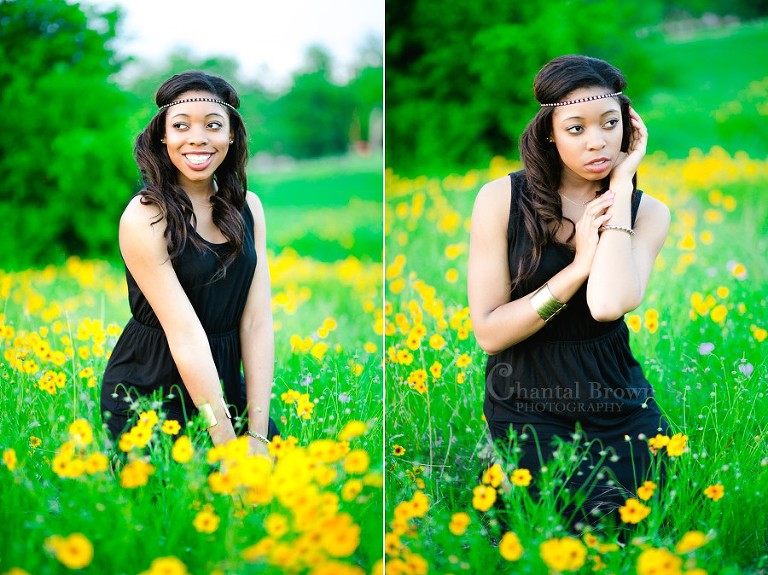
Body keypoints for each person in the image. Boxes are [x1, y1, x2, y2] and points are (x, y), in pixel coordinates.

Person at [468, 55, 670, 523]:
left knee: (641, 518)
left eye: (610, 124)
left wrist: (619, 188)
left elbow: (607, 305)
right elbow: (490, 333)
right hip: (527, 398)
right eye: (576, 128)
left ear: (630, 130)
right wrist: (578, 266)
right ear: (549, 134)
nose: (597, 141)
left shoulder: (649, 213)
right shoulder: (501, 200)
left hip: (617, 398)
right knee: (578, 519)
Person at [101, 71, 278, 454]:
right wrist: (227, 446)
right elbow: (185, 335)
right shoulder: (145, 216)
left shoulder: (250, 208)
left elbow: (256, 321)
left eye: (213, 125)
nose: (197, 137)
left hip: (225, 385)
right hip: (150, 394)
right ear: (164, 136)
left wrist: (258, 434)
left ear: (231, 135)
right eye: (181, 126)